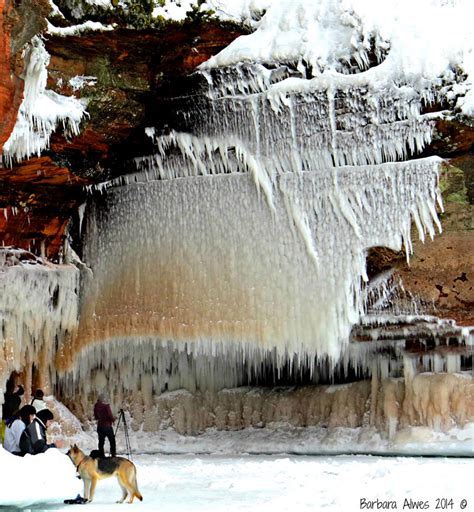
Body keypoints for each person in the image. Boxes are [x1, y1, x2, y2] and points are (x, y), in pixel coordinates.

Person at [1, 378, 24, 444]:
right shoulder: (16, 397)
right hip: (11, 418)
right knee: (8, 435)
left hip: (6, 417)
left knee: (4, 434)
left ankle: (3, 447)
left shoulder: (8, 396)